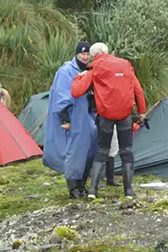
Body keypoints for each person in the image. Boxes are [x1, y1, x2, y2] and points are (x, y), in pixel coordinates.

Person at [72, 43, 146, 199]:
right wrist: (142, 112)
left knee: (102, 151)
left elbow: (76, 92)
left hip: (105, 115)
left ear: (93, 55)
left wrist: (78, 77)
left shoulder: (95, 68)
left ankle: (93, 191)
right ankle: (128, 191)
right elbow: (138, 90)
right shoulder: (125, 64)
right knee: (126, 152)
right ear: (107, 52)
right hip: (125, 116)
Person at [42, 42, 98, 199]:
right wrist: (64, 118)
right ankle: (73, 188)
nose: (85, 57)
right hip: (74, 116)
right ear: (77, 54)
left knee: (90, 149)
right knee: (75, 151)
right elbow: (61, 95)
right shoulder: (66, 71)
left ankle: (82, 184)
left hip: (87, 115)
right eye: (82, 54)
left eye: (88, 54)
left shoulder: (89, 70)